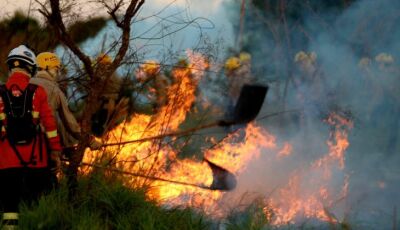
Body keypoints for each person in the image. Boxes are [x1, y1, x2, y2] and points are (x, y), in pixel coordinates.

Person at [0, 45, 62, 228]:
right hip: (37, 160)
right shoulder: (38, 92)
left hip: (6, 160)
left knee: (10, 206)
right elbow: (50, 126)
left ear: (11, 67)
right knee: (35, 202)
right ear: (31, 68)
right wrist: (55, 153)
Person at [30, 52, 84, 159]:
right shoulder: (55, 90)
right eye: (55, 69)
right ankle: (68, 151)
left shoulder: (26, 82)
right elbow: (69, 123)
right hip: (45, 142)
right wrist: (88, 140)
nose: (57, 73)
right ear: (47, 68)